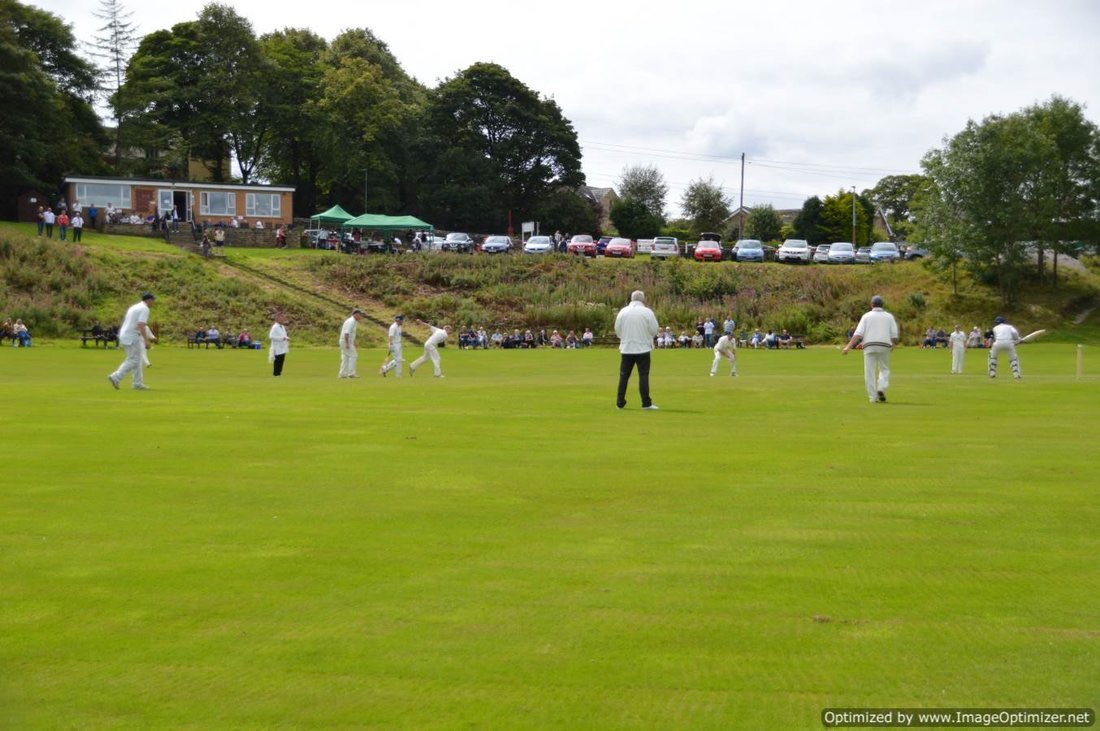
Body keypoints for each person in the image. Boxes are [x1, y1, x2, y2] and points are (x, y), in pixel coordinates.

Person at [842, 295, 900, 403]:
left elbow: (858, 333)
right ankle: (881, 388)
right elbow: (894, 335)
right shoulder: (889, 317)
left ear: (871, 304)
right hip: (884, 345)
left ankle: (873, 397)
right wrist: (892, 344)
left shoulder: (866, 316)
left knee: (869, 372)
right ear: (882, 305)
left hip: (869, 345)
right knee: (884, 369)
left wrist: (848, 347)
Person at [614, 290, 660, 410]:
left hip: (627, 348)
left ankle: (620, 402)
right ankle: (646, 403)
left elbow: (617, 330)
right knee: (643, 376)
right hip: (643, 348)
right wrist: (647, 337)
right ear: (643, 299)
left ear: (631, 298)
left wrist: (625, 338)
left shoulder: (623, 312)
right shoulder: (647, 312)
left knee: (624, 376)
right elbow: (654, 330)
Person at [107, 293, 157, 390]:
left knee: (137, 359)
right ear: (149, 300)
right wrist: (146, 340)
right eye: (152, 300)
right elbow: (141, 325)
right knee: (134, 359)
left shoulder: (134, 307)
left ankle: (137, 384)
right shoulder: (145, 309)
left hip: (125, 334)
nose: (153, 303)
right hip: (132, 336)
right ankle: (116, 376)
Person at [339, 309, 364, 378]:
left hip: (345, 341)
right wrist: (347, 343)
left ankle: (342, 374)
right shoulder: (351, 321)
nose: (361, 316)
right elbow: (346, 333)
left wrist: (353, 342)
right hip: (345, 341)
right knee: (353, 355)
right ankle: (351, 373)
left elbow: (351, 334)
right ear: (356, 314)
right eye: (360, 315)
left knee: (345, 357)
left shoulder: (353, 321)